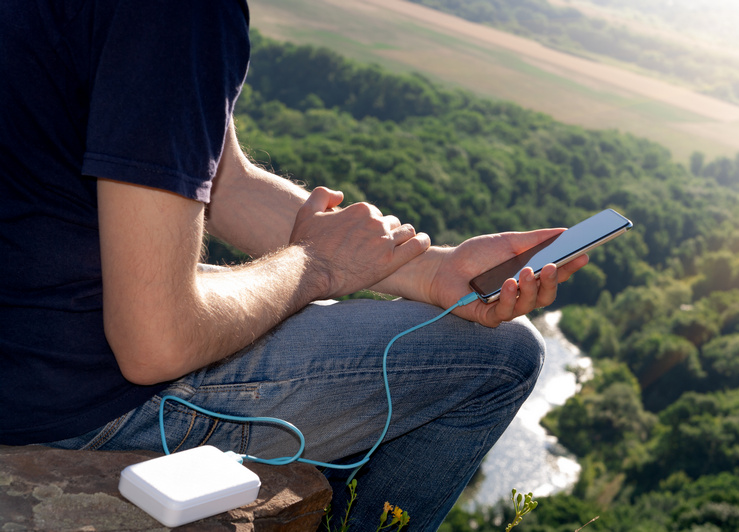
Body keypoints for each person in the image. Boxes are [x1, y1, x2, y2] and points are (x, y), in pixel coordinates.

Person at [0, 1, 587, 529]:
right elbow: (155, 342)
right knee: (501, 356)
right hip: (60, 399)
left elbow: (223, 183)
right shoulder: (179, 15)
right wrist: (316, 266)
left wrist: (431, 271)